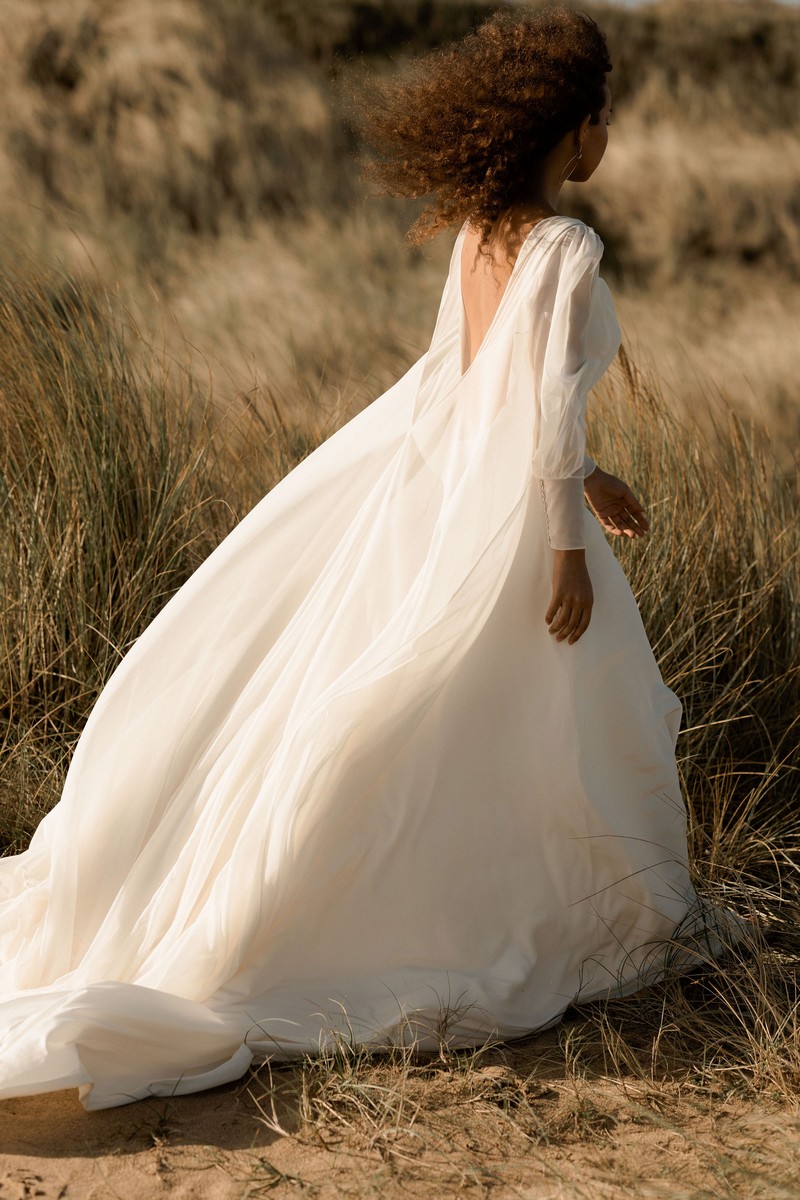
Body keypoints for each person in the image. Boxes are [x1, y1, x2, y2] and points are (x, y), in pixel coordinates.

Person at [0, 7, 748, 1111]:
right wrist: (564, 547)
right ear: (577, 128)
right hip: (511, 521)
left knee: (451, 711)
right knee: (524, 721)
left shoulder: (482, 230)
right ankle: (491, 919)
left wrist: (586, 481)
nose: (605, 139)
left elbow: (469, 383)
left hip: (448, 488)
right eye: (602, 119)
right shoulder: (563, 245)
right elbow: (534, 402)